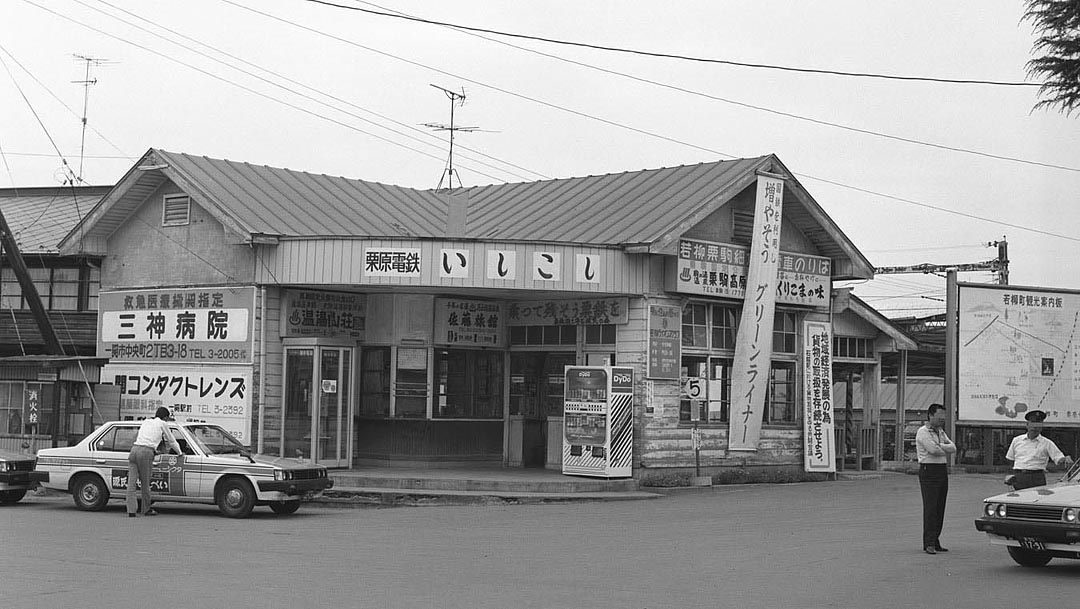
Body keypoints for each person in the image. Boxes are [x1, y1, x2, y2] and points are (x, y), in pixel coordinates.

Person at [127, 407, 182, 517]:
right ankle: (146, 509)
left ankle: (131, 511)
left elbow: (144, 439)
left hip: (134, 450)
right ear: (165, 417)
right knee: (145, 483)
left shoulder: (146, 421)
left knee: (131, 484)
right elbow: (171, 441)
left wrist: (153, 449)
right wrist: (180, 452)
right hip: (145, 453)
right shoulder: (162, 424)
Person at [916, 403, 955, 555]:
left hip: (941, 470)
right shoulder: (923, 432)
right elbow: (933, 450)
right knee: (931, 507)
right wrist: (942, 447)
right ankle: (928, 543)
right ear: (930, 416)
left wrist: (940, 446)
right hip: (929, 471)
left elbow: (953, 448)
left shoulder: (940, 432)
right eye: (939, 417)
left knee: (940, 507)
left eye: (943, 417)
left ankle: (936, 539)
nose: (942, 420)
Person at [1005, 409, 1074, 490]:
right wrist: (1011, 474)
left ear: (1041, 427)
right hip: (1019, 477)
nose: (1035, 427)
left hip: (1037, 478)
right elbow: (1010, 459)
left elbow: (1058, 459)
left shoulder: (1047, 443)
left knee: (1036, 500)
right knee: (1018, 501)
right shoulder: (1016, 440)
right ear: (1027, 425)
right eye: (1033, 423)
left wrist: (1066, 458)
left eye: (1038, 424)